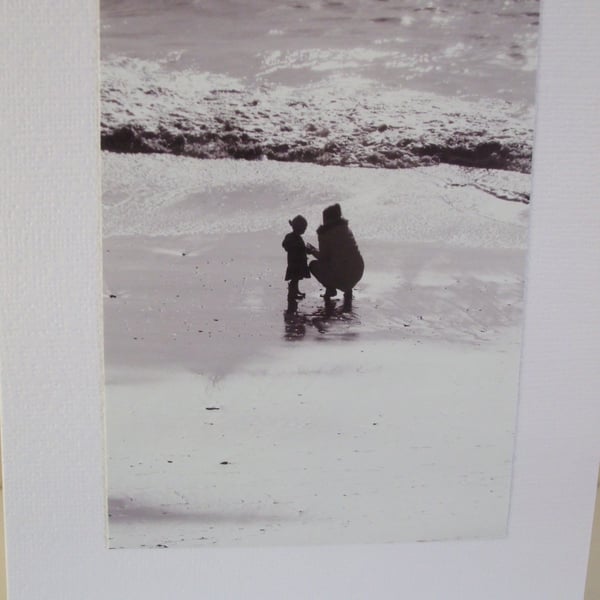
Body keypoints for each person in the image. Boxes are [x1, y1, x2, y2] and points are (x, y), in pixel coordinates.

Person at [309, 203, 364, 310]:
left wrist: (312, 251)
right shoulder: (346, 229)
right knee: (343, 260)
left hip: (342, 275)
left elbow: (324, 257)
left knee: (313, 265)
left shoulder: (325, 234)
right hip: (358, 271)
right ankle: (348, 290)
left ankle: (330, 289)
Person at [282, 215, 314, 301]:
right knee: (295, 279)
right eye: (304, 228)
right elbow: (285, 244)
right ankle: (292, 293)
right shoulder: (291, 237)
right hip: (295, 263)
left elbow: (300, 248)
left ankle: (295, 291)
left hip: (298, 262)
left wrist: (307, 250)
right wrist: (302, 249)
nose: (304, 230)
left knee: (296, 279)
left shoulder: (296, 237)